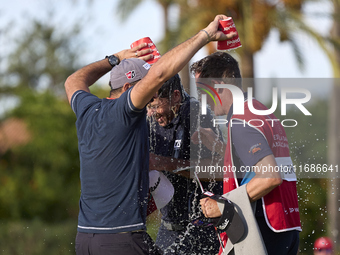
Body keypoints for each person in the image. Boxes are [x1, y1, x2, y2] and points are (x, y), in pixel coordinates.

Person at [64, 15, 235, 255]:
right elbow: (159, 74)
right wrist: (205, 35)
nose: (151, 101)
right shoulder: (125, 112)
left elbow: (73, 80)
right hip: (121, 239)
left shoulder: (87, 109)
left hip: (86, 239)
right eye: (148, 91)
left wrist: (115, 59)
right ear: (127, 90)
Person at [193, 52, 302, 255]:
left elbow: (270, 177)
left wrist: (223, 205)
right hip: (285, 228)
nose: (202, 100)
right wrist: (220, 147)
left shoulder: (240, 122)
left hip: (262, 231)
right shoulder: (261, 111)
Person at [147, 73, 222, 254]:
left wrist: (164, 163)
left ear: (176, 96)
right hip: (169, 227)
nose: (153, 112)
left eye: (157, 106)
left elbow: (219, 169)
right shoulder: (151, 120)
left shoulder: (197, 114)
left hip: (202, 228)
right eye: (149, 106)